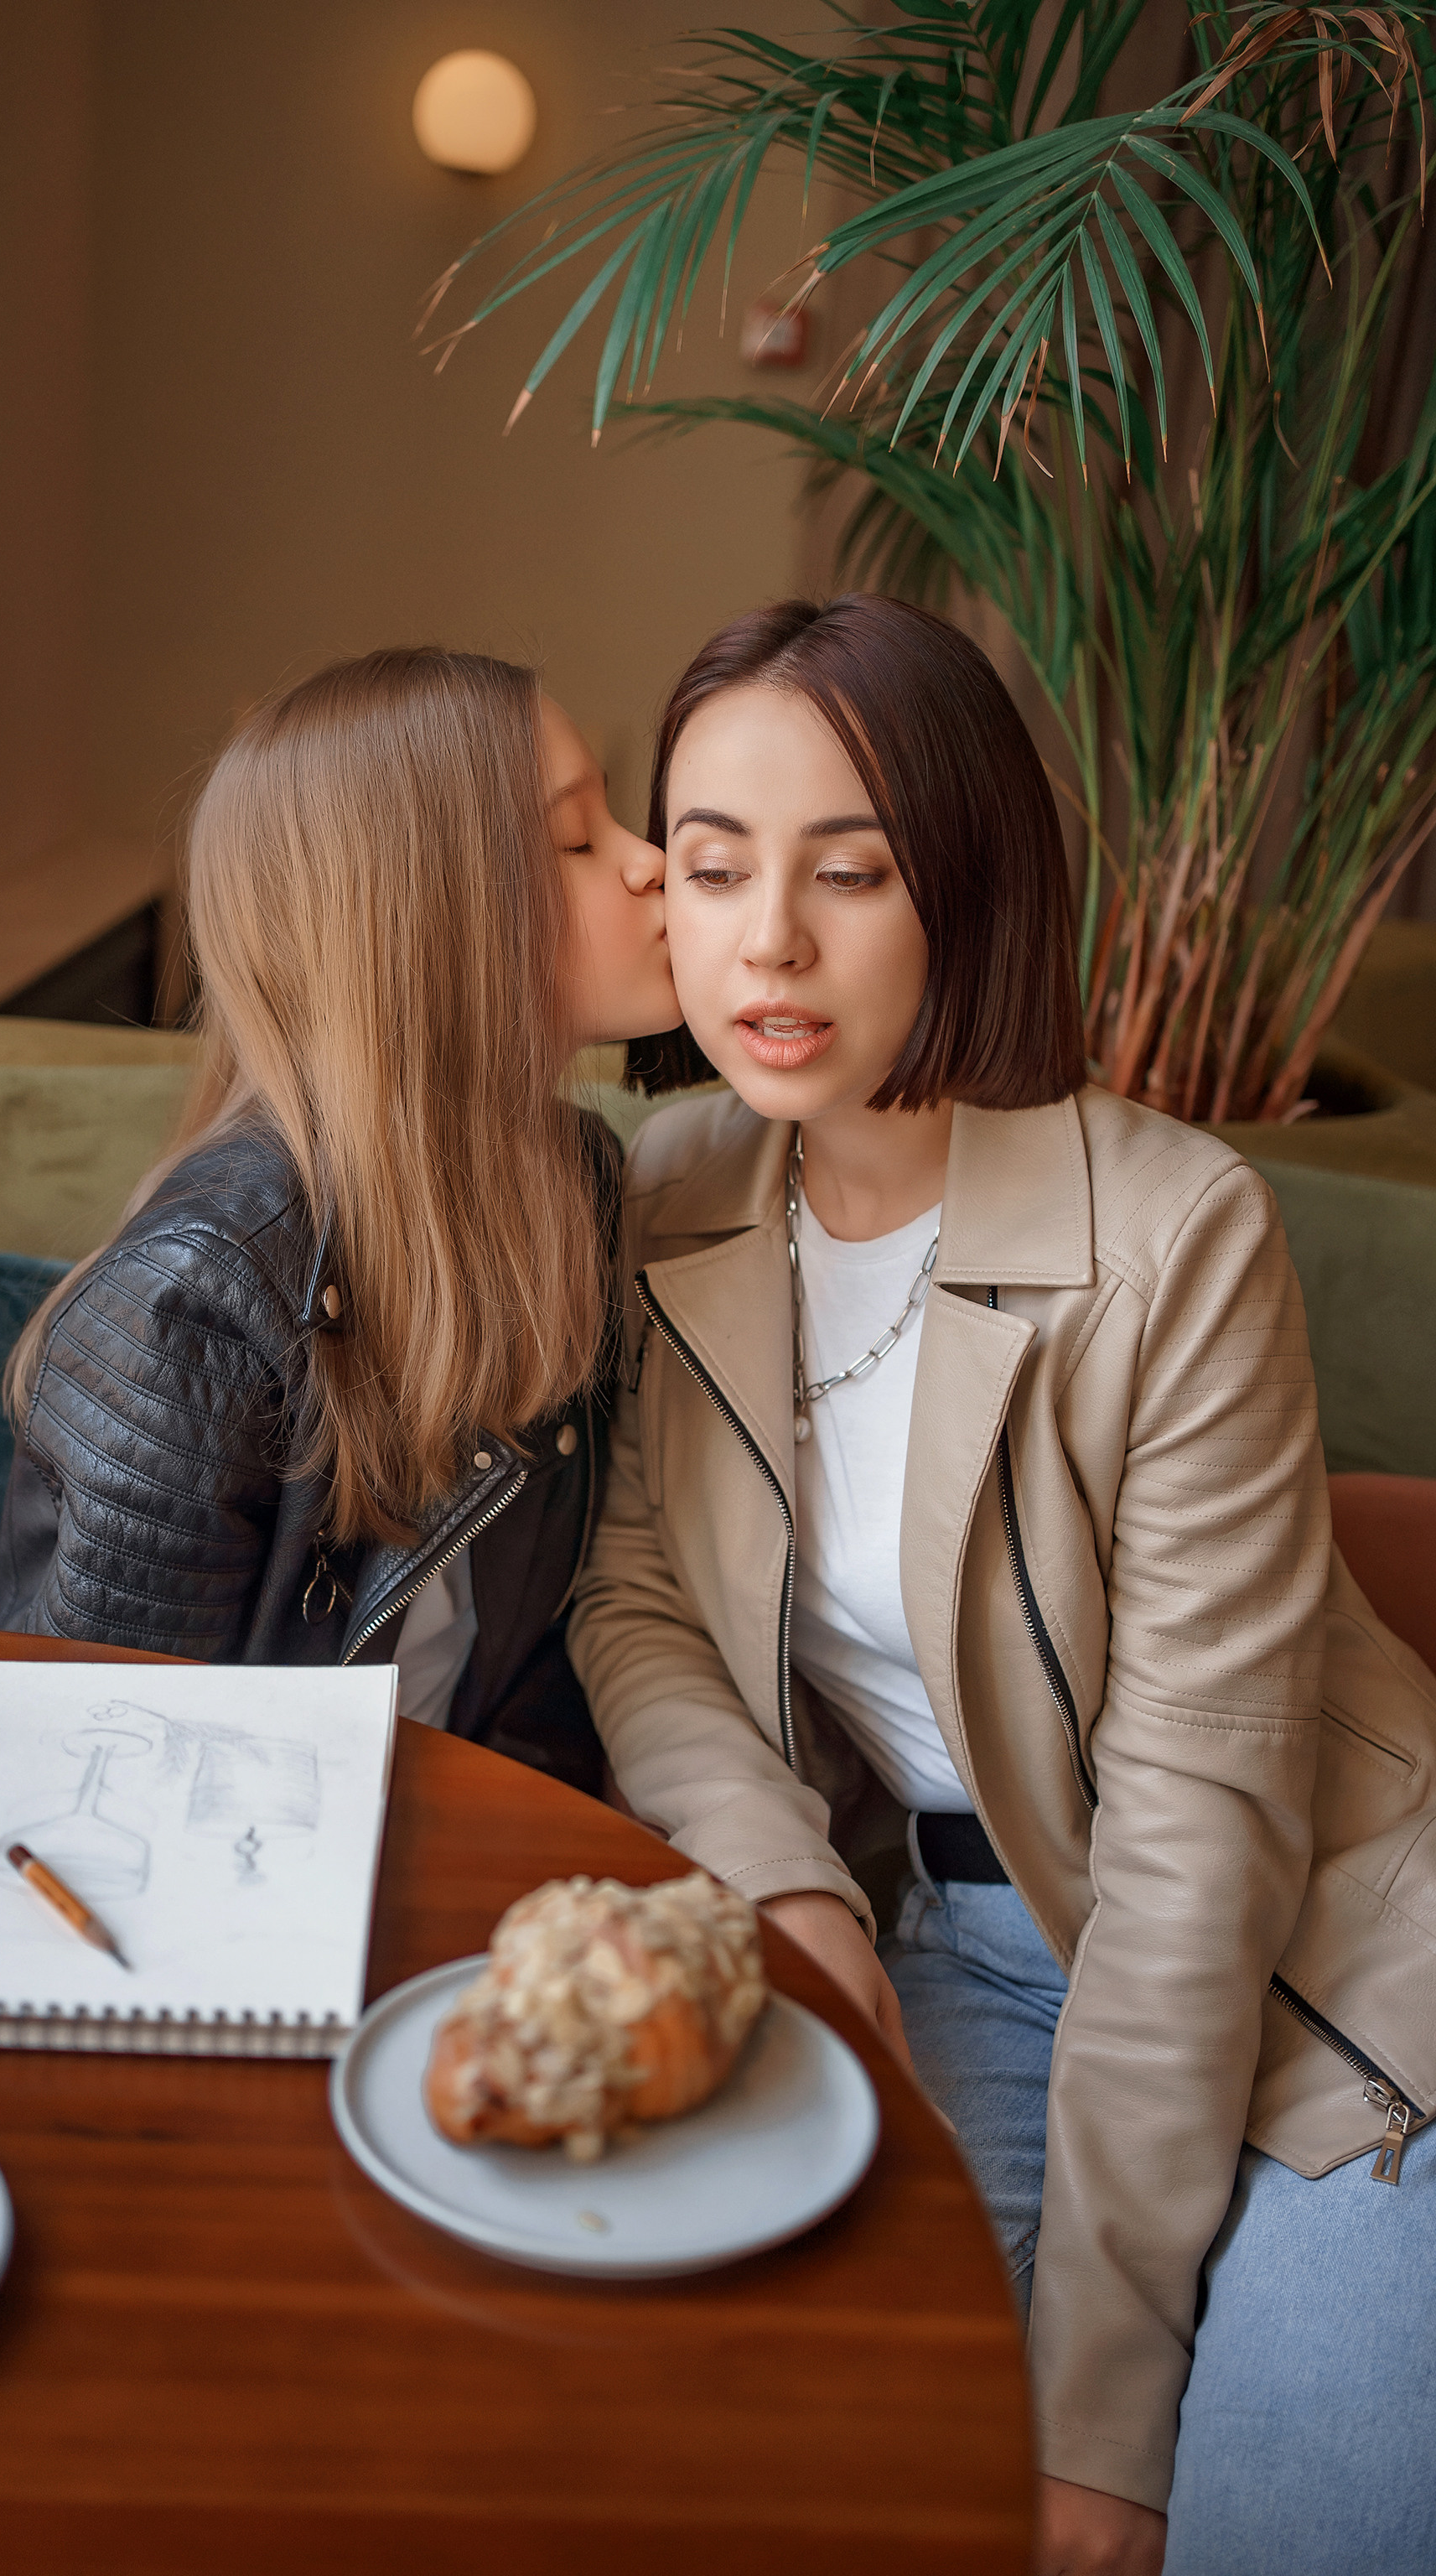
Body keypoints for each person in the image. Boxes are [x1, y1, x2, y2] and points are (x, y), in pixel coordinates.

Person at [568, 595, 1436, 2573]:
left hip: (1327, 1983)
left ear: (967, 886)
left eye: (848, 873)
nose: (768, 941)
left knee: (1254, 2539)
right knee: (829, 2474)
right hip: (960, 1953)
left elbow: (1200, 1846)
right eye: (712, 868)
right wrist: (782, 1876)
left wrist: (1103, 2431)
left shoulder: (1173, 1234)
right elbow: (631, 1600)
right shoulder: (665, 1196)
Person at [0, 647, 680, 1792]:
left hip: (463, 1826)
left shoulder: (581, 1183)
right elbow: (100, 1768)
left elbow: (539, 1650)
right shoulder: (200, 1305)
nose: (656, 864)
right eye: (577, 841)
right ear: (427, 923)